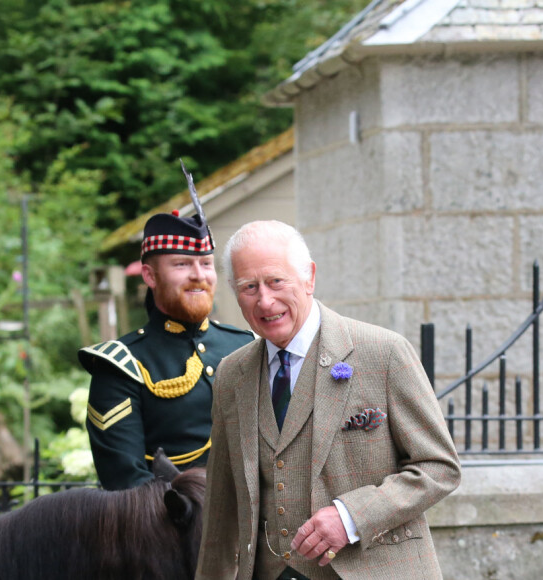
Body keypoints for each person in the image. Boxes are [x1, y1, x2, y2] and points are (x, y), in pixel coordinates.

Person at [196, 220, 461, 580]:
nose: (265, 300)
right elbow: (221, 506)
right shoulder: (231, 374)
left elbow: (439, 467)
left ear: (309, 278)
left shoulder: (383, 354)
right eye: (249, 287)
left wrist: (352, 516)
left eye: (276, 281)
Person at [78, 205, 254, 490]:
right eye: (182, 264)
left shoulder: (246, 345)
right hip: (171, 527)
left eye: (206, 264)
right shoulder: (121, 363)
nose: (199, 275)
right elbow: (126, 483)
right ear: (150, 276)